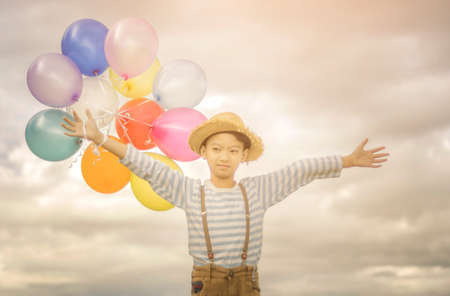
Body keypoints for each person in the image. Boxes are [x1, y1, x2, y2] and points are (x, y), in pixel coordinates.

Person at [61, 109, 389, 296]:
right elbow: (146, 167)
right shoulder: (190, 192)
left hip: (248, 282)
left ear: (244, 157)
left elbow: (300, 170)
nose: (224, 157)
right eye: (217, 148)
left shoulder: (257, 191)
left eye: (233, 150)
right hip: (207, 283)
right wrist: (100, 138)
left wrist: (346, 160)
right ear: (203, 152)